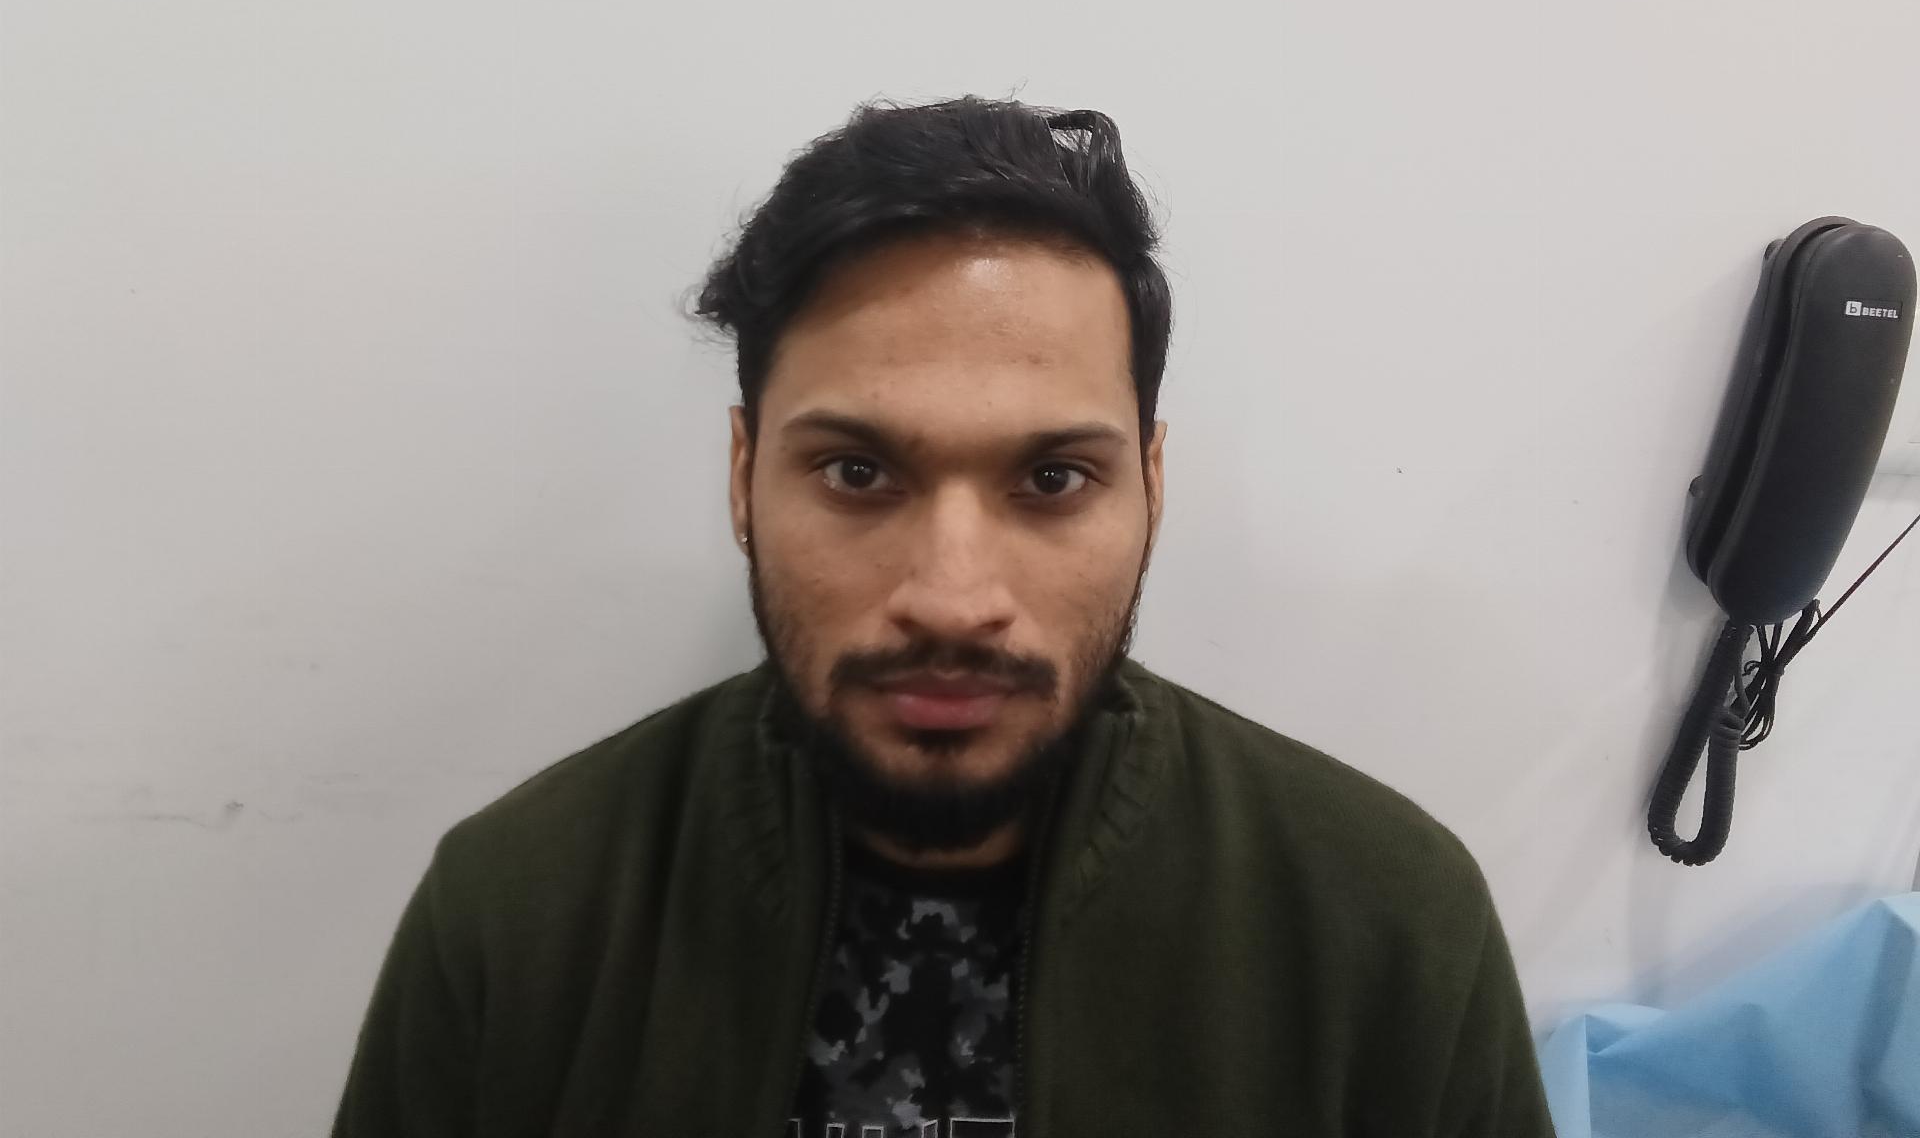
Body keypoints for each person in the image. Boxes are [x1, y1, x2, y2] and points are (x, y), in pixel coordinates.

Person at [330, 95, 1557, 1137]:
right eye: (858, 473)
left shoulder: (1386, 930)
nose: (955, 600)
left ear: (1151, 486)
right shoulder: (521, 914)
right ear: (744, 476)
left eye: (1053, 479)